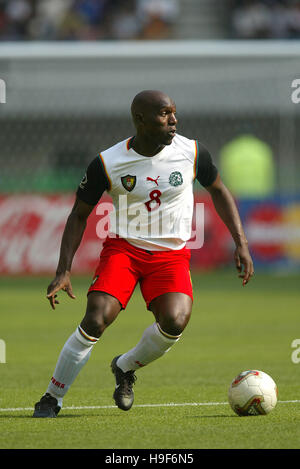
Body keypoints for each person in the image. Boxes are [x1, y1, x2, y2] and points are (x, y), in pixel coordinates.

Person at [33, 90, 254, 418]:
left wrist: (241, 242)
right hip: (124, 250)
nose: (174, 120)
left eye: (174, 112)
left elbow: (219, 190)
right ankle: (52, 398)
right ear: (140, 119)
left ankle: (124, 368)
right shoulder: (108, 163)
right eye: (165, 114)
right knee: (95, 318)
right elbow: (79, 214)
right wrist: (63, 269)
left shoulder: (192, 152)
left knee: (175, 321)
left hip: (172, 256)